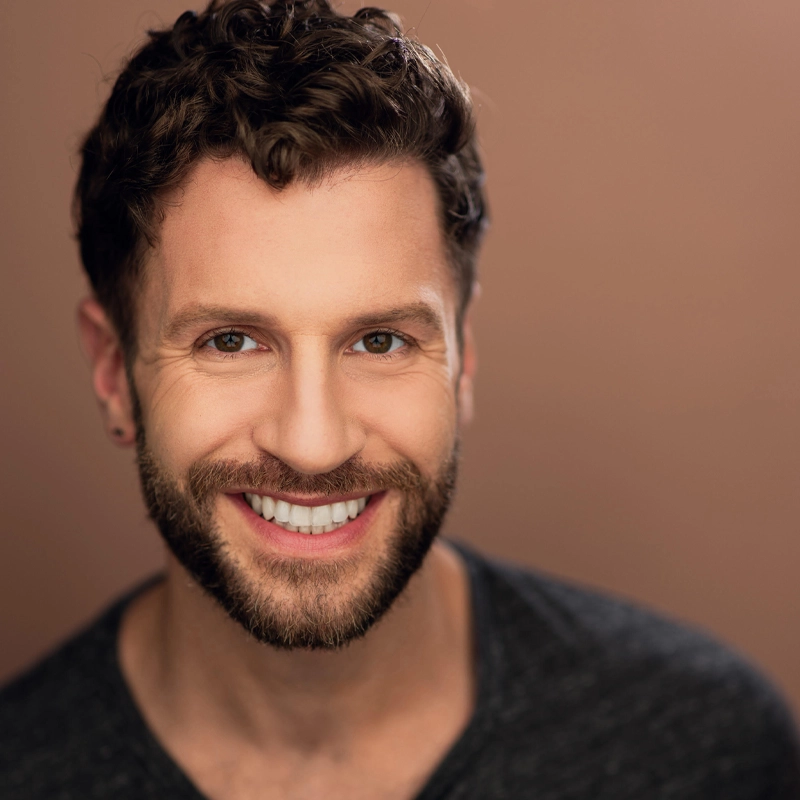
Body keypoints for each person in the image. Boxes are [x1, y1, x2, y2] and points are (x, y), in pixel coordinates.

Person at [1, 0, 799, 797]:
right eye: (231, 342)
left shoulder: (708, 752)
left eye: (380, 342)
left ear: (462, 361)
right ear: (114, 371)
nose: (313, 445)